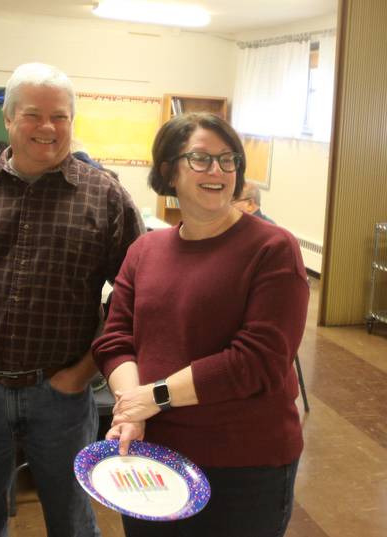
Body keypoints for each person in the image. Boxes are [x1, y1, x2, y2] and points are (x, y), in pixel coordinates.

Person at [0, 62, 144, 537]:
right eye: (33, 114)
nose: (47, 127)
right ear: (8, 120)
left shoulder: (107, 199)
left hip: (62, 394)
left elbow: (132, 297)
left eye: (60, 116)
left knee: (74, 524)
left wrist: (82, 374)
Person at [92, 112, 309, 537]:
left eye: (229, 160)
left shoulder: (272, 248)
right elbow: (116, 340)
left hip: (243, 465)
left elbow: (256, 361)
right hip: (151, 457)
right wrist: (132, 408)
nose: (218, 171)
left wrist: (152, 397)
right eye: (201, 159)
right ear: (169, 170)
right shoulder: (145, 250)